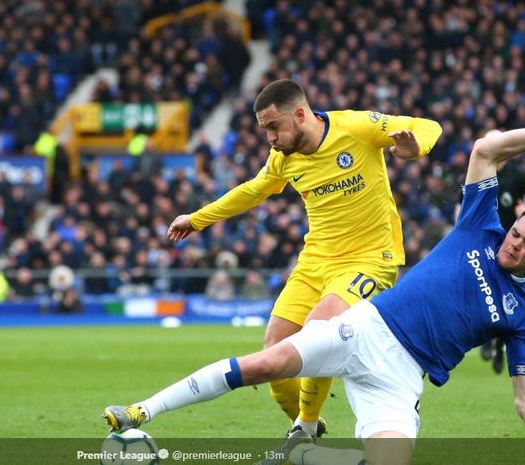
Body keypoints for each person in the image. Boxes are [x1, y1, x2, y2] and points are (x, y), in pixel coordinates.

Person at [104, 96, 525, 465]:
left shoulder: (520, 317)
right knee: (271, 356)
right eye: (516, 233)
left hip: (399, 370)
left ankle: (305, 451)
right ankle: (146, 412)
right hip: (364, 323)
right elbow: (485, 148)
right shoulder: (479, 227)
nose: (514, 244)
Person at [166, 78, 442, 437]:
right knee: (273, 355)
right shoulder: (283, 158)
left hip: (369, 258)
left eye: (273, 127)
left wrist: (415, 147)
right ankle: (306, 427)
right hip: (315, 262)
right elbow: (253, 190)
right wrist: (197, 219)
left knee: (320, 330)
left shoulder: (357, 127)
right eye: (265, 129)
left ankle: (306, 424)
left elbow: (429, 125)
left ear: (299, 114)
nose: (270, 138)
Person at [456, 147, 525, 374]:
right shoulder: (477, 171)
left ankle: (498, 344)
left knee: (505, 298)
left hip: (512, 249)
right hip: (482, 244)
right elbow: (462, 206)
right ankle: (491, 341)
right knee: (482, 292)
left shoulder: (518, 174)